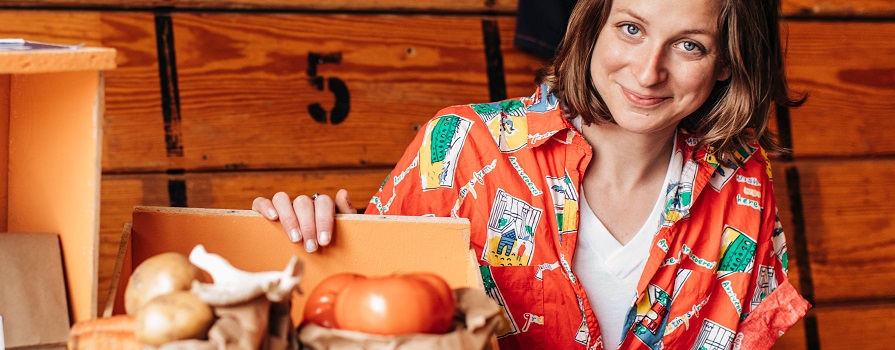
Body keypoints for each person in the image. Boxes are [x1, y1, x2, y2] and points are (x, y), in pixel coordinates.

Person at [252, 0, 810, 348]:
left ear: (727, 62)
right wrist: (320, 240)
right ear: (594, 23)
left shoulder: (742, 178)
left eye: (690, 45)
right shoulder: (462, 146)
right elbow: (363, 314)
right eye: (631, 28)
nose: (647, 71)